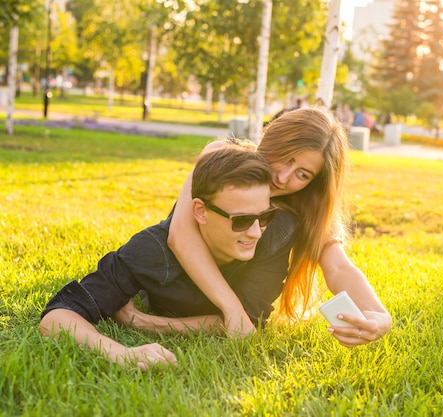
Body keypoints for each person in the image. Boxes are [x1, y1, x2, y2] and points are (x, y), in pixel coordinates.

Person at [125, 106, 392, 349]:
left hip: (241, 305)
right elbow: (181, 236)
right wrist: (233, 311)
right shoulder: (220, 157)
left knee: (285, 223)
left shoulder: (302, 209)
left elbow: (338, 265)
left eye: (303, 174)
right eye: (286, 157)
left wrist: (380, 316)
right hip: (171, 284)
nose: (283, 177)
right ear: (272, 138)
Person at [40, 143, 281, 370]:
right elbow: (58, 316)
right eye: (241, 220)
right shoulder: (152, 251)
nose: (256, 231)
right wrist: (122, 353)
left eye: (265, 216)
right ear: (200, 211)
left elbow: (248, 322)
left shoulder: (273, 240)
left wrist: (141, 321)